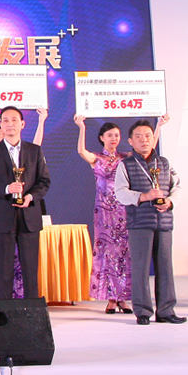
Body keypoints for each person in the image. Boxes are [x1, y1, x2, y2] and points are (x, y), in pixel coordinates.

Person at [113, 119, 184, 324]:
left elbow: (177, 187)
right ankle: (143, 312)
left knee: (165, 267)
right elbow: (120, 193)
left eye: (148, 136)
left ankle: (166, 311)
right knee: (141, 268)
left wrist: (170, 202)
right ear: (130, 141)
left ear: (154, 139)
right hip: (140, 222)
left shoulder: (164, 163)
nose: (144, 140)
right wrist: (145, 196)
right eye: (139, 136)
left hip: (164, 221)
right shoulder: (125, 165)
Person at [0, 106, 52, 300]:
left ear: (22, 124)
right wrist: (7, 189)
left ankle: (31, 310)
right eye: (5, 120)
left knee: (30, 268)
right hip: (3, 217)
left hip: (29, 216)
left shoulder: (34, 151)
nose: (10, 124)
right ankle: (5, 310)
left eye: (14, 120)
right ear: (1, 125)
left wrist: (30, 197)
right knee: (4, 269)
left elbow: (44, 182)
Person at [74, 115, 131, 314]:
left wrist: (159, 126)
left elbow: (147, 150)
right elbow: (81, 151)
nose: (114, 138)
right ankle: (111, 299)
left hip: (124, 211)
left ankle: (123, 298)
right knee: (107, 254)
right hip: (104, 214)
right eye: (110, 135)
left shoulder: (126, 157)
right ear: (102, 138)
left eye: (116, 135)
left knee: (124, 253)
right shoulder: (97, 158)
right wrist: (81, 127)